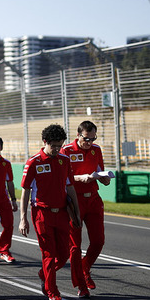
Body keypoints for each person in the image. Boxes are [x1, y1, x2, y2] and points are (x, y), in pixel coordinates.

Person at [19, 124, 87, 300]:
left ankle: (44, 274)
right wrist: (23, 218)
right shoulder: (34, 162)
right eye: (54, 146)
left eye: (60, 145)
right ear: (45, 142)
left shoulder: (64, 161)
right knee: (48, 254)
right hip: (42, 214)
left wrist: (77, 213)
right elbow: (25, 191)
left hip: (63, 213)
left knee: (63, 254)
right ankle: (53, 294)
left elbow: (70, 187)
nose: (57, 149)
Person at [61, 120, 113, 290]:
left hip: (93, 199)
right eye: (86, 139)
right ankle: (80, 283)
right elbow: (62, 178)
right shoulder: (66, 151)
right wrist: (79, 178)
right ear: (78, 135)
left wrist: (105, 179)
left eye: (93, 138)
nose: (90, 142)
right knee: (75, 246)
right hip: (75, 200)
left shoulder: (96, 150)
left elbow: (100, 171)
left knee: (98, 241)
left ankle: (85, 268)